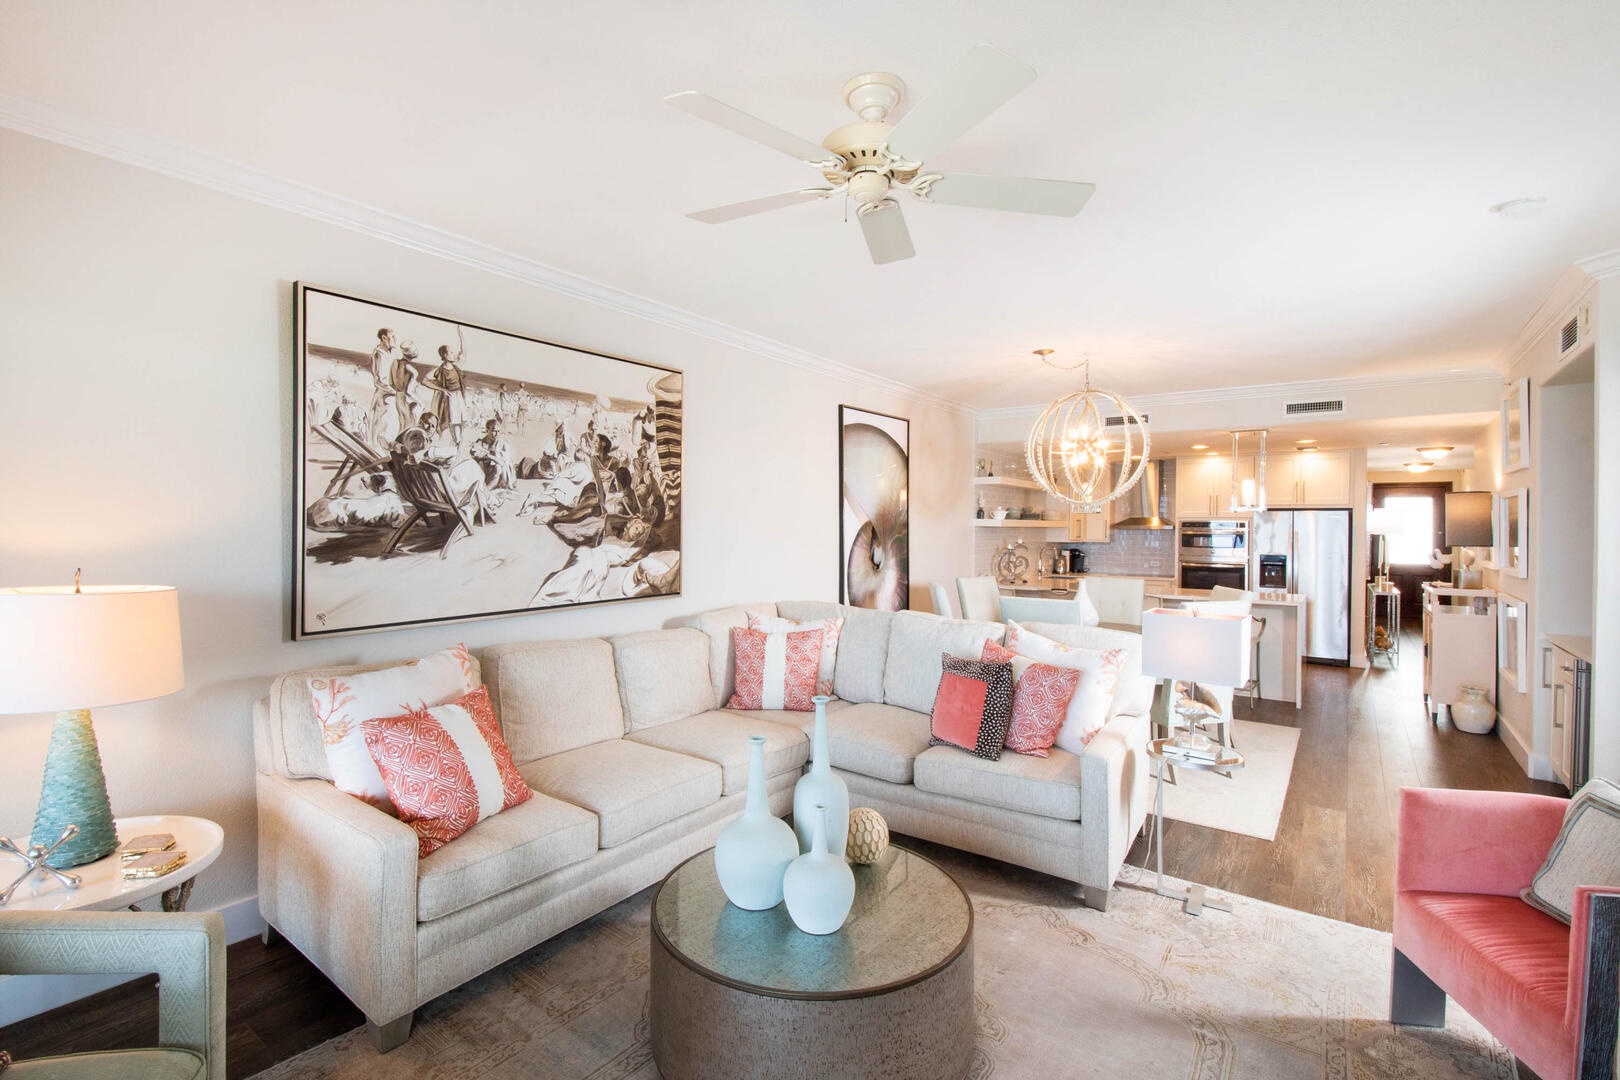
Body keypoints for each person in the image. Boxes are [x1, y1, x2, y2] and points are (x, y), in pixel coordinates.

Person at [425, 343, 468, 445]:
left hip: (458, 397)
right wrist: (442, 389)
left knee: (461, 421)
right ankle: (455, 442)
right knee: (453, 422)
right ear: (445, 355)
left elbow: (463, 355)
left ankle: (456, 442)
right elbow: (425, 380)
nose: (453, 354)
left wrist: (462, 337)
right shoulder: (439, 370)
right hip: (450, 398)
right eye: (451, 352)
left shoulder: (455, 367)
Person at [367, 328, 402, 445]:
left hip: (392, 396)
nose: (395, 339)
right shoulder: (379, 354)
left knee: (391, 426)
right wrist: (396, 391)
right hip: (384, 397)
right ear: (384, 338)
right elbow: (380, 381)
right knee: (382, 426)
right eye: (392, 337)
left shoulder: (392, 352)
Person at [470, 417, 517, 490]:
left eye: (498, 431)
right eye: (494, 431)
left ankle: (488, 489)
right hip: (485, 472)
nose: (497, 434)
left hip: (502, 474)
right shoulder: (480, 442)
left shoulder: (503, 443)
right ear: (487, 430)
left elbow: (503, 462)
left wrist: (488, 455)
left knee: (498, 467)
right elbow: (474, 453)